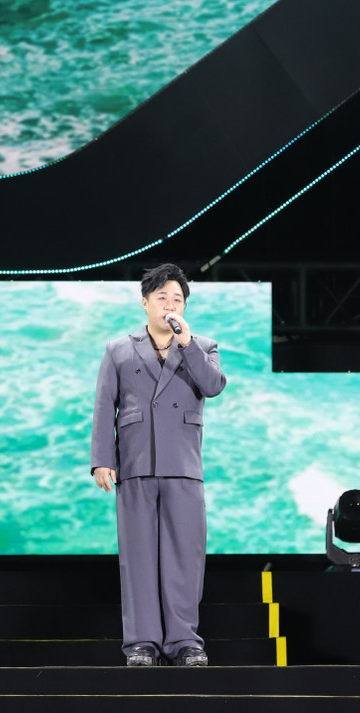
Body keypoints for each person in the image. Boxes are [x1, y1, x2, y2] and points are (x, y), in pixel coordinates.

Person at [90, 264, 227, 667]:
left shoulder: (202, 345)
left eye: (177, 299)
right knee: (138, 558)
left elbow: (214, 386)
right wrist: (102, 460)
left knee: (185, 556)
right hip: (134, 463)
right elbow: (104, 406)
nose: (170, 305)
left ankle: (185, 641)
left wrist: (188, 344)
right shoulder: (118, 348)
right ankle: (142, 643)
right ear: (145, 302)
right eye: (162, 297)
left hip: (183, 464)